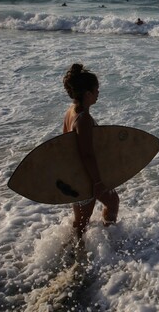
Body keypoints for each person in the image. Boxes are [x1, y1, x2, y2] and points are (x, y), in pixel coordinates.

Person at [63, 64, 119, 239]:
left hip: (75, 173)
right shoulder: (83, 119)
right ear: (87, 94)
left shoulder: (71, 111)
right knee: (82, 223)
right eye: (96, 90)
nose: (98, 93)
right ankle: (78, 256)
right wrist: (98, 182)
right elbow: (86, 154)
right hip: (84, 177)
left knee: (108, 203)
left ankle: (101, 240)